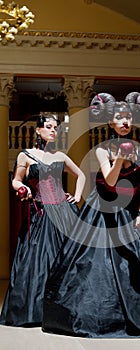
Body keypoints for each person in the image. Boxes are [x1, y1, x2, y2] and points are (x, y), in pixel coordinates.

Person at [41, 93, 140, 338]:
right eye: (119, 117)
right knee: (93, 266)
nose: (125, 121)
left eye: (128, 117)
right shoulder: (102, 150)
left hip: (131, 210)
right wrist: (119, 159)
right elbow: (109, 181)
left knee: (137, 266)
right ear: (111, 123)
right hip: (103, 210)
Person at [0, 112, 86, 326]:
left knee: (68, 259)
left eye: (55, 127)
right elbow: (16, 181)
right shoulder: (25, 155)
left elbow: (82, 174)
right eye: (48, 126)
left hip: (64, 213)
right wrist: (23, 187)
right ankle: (38, 311)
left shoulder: (61, 156)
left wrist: (76, 195)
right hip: (41, 213)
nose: (53, 130)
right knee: (39, 262)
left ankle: (65, 309)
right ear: (38, 130)